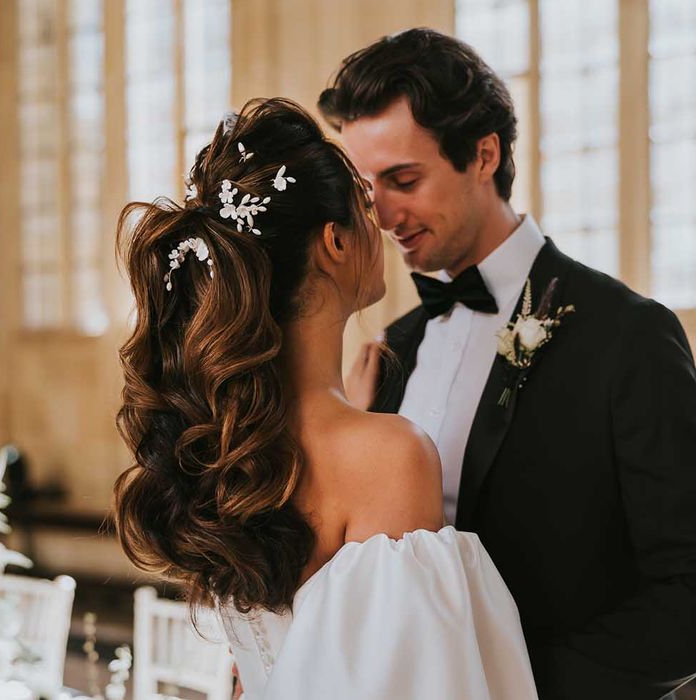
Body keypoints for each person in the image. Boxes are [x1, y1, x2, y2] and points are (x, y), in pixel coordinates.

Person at [112, 98, 538, 699]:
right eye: (367, 206)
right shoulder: (389, 456)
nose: (385, 224)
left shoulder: (225, 445)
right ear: (335, 242)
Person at [319, 27, 696, 700]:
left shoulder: (627, 337)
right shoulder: (394, 351)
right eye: (367, 188)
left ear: (484, 154)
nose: (381, 214)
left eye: (403, 180)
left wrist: (518, 687)